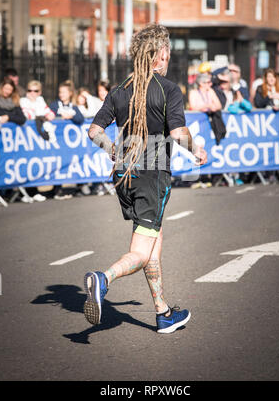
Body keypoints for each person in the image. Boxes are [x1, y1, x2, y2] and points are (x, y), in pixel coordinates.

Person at [84, 23, 207, 334]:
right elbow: (178, 134)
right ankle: (103, 279)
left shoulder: (119, 91)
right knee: (141, 250)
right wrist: (197, 150)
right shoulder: (168, 90)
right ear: (160, 54)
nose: (168, 59)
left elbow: (94, 132)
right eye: (167, 53)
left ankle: (163, 312)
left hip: (124, 174)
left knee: (153, 241)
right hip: (152, 174)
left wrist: (113, 148)